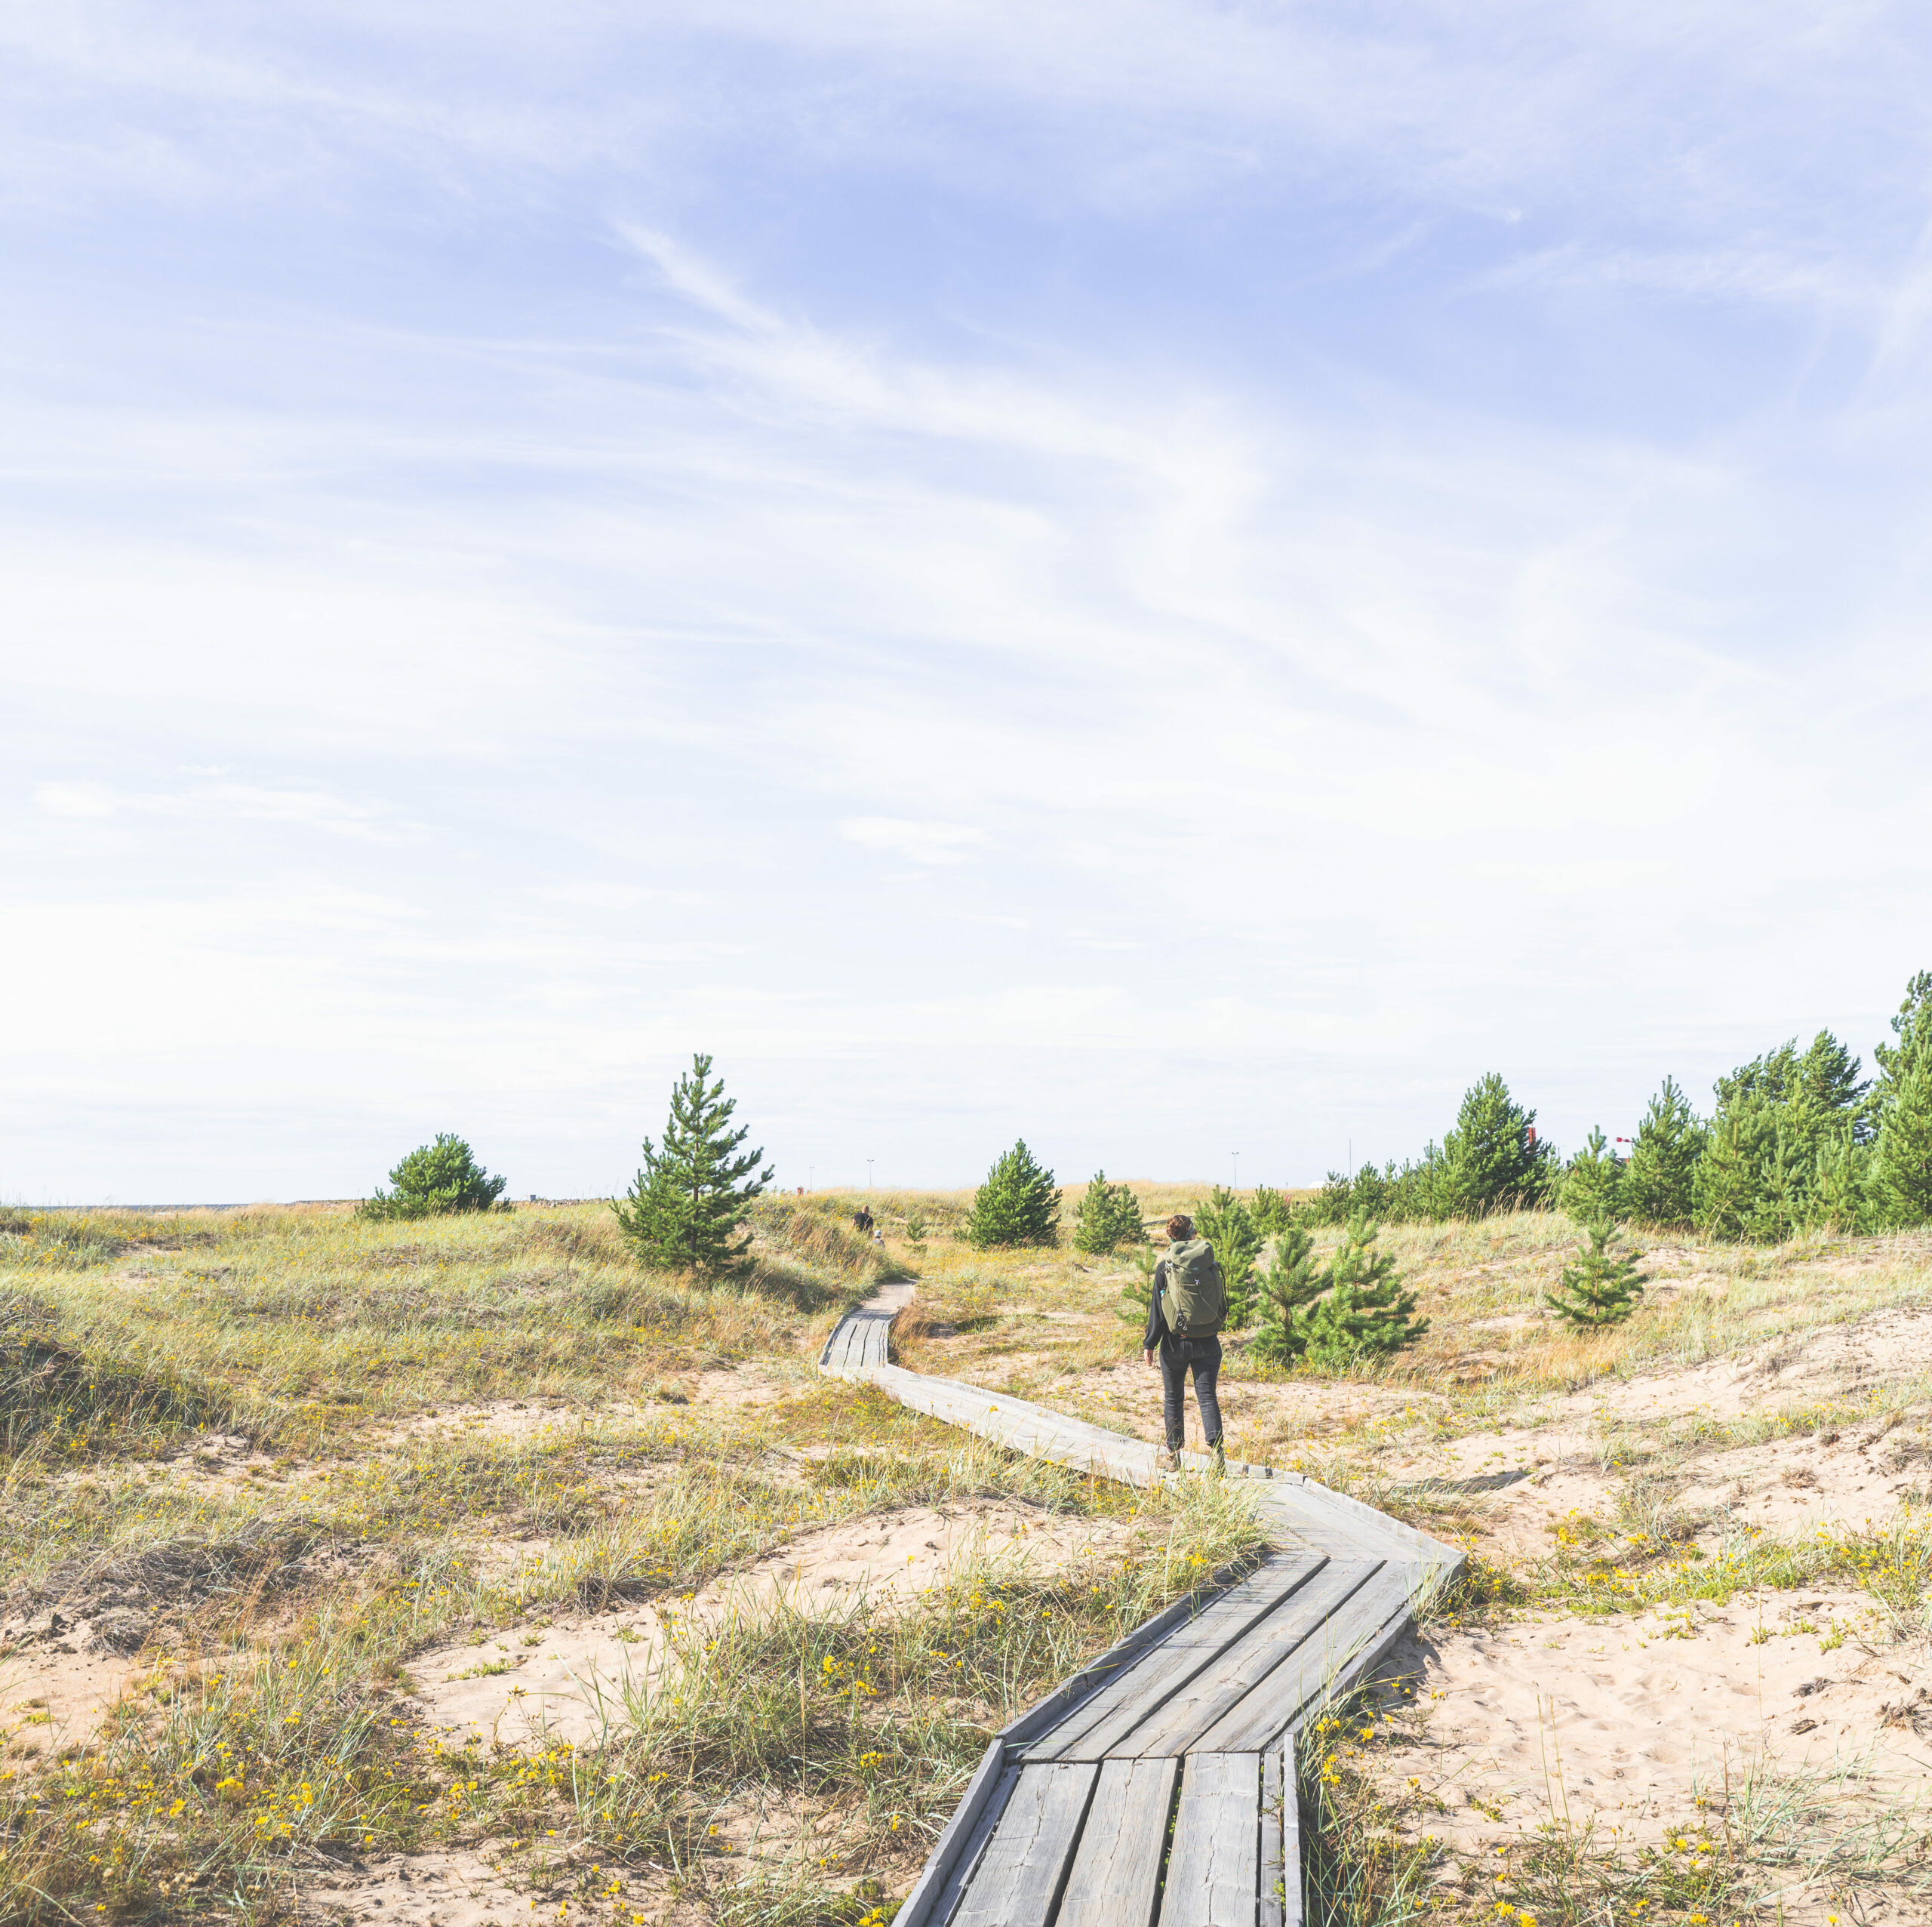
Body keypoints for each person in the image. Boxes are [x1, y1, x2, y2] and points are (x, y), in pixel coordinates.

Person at [1142, 1212, 1226, 1473]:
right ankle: (1218, 1457)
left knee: (1173, 1397)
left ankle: (1173, 1457)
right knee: (1207, 1396)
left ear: (1170, 1237)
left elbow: (1157, 1309)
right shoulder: (1209, 1261)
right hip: (1208, 1341)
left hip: (1175, 1343)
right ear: (1193, 1234)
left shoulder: (1165, 1266)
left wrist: (1150, 1344)